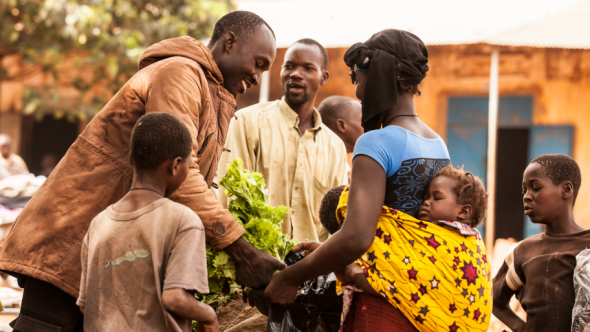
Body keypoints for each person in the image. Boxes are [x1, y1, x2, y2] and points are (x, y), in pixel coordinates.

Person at [0, 11, 284, 332]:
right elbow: (180, 168)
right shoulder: (181, 72)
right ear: (230, 42)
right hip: (71, 243)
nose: (259, 77)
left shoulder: (210, 90)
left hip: (108, 255)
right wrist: (240, 249)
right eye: (259, 63)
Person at [264, 29, 451, 331]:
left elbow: (357, 237)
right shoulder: (436, 142)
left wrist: (290, 277)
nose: (355, 84)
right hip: (423, 300)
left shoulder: (375, 143)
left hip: (382, 307)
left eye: (357, 75)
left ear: (376, 74)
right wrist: (324, 252)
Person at [78, 113, 217, 332]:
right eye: (189, 166)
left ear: (132, 160)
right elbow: (174, 298)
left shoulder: (99, 223)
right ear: (176, 166)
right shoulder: (183, 220)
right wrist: (209, 316)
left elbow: (87, 304)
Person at [316, 166, 491, 331]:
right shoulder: (421, 236)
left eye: (436, 198)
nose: (426, 203)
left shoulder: (458, 242)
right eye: (425, 197)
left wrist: (351, 272)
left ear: (464, 212)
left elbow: (395, 281)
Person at [218, 38, 348, 243]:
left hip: (311, 268)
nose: (296, 73)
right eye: (289, 66)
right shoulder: (247, 122)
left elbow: (337, 217)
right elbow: (229, 197)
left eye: (307, 68)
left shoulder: (335, 147)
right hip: (253, 260)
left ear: (323, 77)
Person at [493, 154, 588, 332]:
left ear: (566, 189)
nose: (527, 196)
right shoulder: (525, 251)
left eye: (536, 188)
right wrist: (519, 327)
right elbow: (494, 298)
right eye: (524, 190)